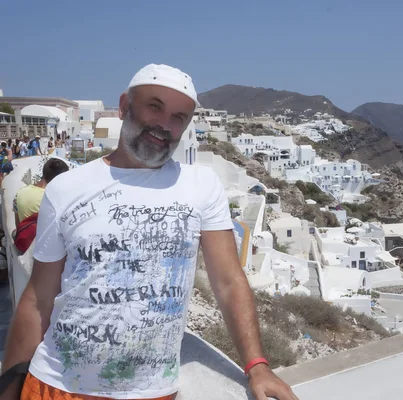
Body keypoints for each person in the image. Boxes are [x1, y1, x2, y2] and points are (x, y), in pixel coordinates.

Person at [1, 64, 297, 400]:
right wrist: (8, 389)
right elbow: (37, 300)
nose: (164, 124)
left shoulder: (201, 186)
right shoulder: (67, 188)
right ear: (126, 105)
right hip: (55, 386)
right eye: (154, 106)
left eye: (178, 117)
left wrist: (257, 364)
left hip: (151, 392)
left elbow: (228, 281)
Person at [13, 158, 70, 252]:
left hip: (24, 243)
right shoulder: (54, 198)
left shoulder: (20, 193)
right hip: (46, 250)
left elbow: (18, 224)